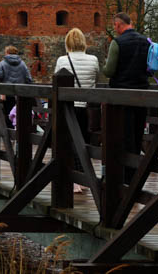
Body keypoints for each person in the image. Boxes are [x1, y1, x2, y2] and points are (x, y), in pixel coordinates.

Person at [103, 12, 150, 182]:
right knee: (137, 136)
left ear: (117, 25)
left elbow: (109, 71)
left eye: (115, 26)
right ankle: (135, 177)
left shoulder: (117, 42)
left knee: (122, 137)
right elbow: (151, 69)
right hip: (142, 96)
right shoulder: (146, 41)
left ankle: (124, 178)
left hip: (121, 97)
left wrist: (104, 66)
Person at [54, 28, 100, 193]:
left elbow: (56, 81)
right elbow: (96, 78)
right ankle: (84, 177)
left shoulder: (62, 60)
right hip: (87, 109)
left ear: (67, 43)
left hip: (68, 107)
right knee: (83, 144)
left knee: (68, 143)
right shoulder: (93, 59)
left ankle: (74, 181)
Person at [0, 45, 33, 127]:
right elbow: (28, 78)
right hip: (20, 92)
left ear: (7, 52)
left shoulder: (2, 63)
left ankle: (9, 133)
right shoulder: (23, 63)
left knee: (8, 112)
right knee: (20, 112)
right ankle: (19, 131)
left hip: (7, 92)